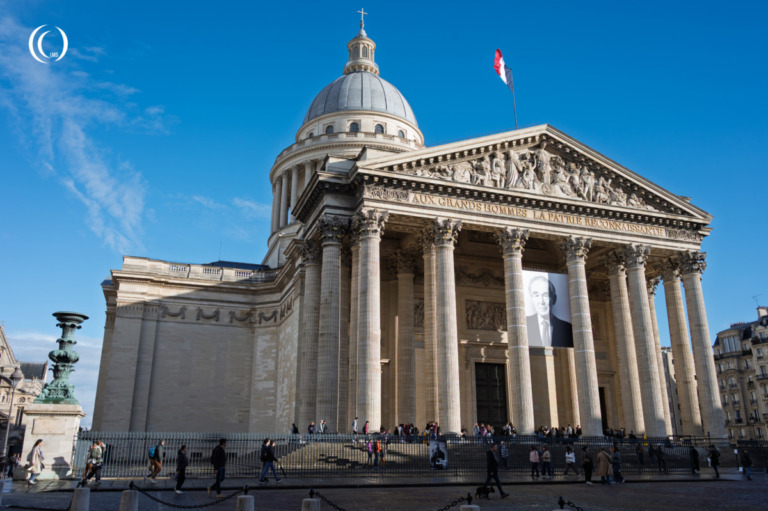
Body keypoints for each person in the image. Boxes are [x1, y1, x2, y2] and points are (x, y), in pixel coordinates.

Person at [525, 275, 573, 347]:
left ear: (554, 299)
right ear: (532, 299)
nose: (541, 302)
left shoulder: (567, 328)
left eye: (546, 295)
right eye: (536, 295)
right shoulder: (524, 325)